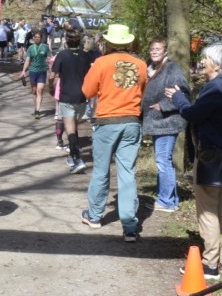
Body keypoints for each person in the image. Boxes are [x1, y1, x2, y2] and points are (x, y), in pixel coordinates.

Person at [166, 42, 222, 279]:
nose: (202, 62)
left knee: (207, 211)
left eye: (206, 59)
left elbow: (193, 114)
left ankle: (209, 264)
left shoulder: (215, 88)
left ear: (216, 65)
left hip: (211, 156)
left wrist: (178, 98)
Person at [80, 24, 147, 242]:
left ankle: (95, 216)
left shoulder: (101, 62)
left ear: (109, 43)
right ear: (128, 42)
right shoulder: (141, 64)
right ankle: (130, 226)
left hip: (107, 121)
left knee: (101, 171)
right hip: (132, 121)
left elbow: (87, 91)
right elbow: (143, 92)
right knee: (127, 173)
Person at [141, 37, 190, 212]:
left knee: (163, 161)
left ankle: (166, 201)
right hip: (158, 122)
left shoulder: (171, 68)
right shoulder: (151, 69)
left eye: (158, 49)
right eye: (152, 49)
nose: (154, 52)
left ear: (166, 51)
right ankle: (171, 200)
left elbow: (182, 92)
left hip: (167, 121)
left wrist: (163, 105)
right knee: (163, 160)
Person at [49, 31, 94, 174]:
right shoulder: (85, 55)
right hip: (81, 96)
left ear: (66, 41)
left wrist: (51, 87)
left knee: (70, 130)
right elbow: (90, 74)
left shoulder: (62, 55)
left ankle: (77, 159)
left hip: (67, 96)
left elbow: (52, 75)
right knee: (74, 127)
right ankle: (72, 156)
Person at [19, 30, 51, 118]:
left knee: (40, 90)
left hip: (42, 71)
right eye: (35, 37)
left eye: (39, 37)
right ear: (33, 38)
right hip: (32, 71)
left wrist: (51, 69)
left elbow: (49, 59)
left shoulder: (45, 47)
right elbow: (27, 60)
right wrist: (23, 71)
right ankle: (35, 107)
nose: (37, 39)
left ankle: (38, 110)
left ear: (41, 38)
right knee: (34, 91)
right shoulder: (30, 48)